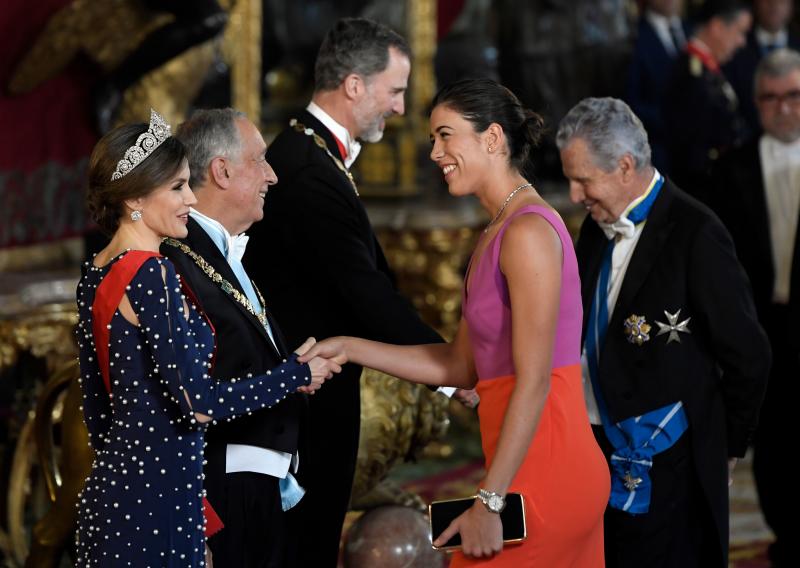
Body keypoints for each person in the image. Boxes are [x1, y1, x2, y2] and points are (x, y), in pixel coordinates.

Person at [300, 77, 610, 567]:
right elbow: (459, 365)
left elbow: (534, 383)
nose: (434, 153)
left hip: (551, 470)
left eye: (446, 136)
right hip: (519, 469)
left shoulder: (528, 230)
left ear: (491, 138)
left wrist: (490, 500)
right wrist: (349, 347)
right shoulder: (497, 231)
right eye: (432, 140)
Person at [75, 109, 340, 566]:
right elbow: (198, 403)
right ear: (136, 197)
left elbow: (98, 414)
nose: (190, 201)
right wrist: (294, 374)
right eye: (178, 187)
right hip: (160, 503)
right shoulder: (152, 273)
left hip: (114, 495)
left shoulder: (96, 272)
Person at [242, 18, 445, 566]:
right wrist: (450, 370)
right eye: (395, 91)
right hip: (304, 404)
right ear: (354, 85)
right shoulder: (308, 171)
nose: (400, 108)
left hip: (305, 393)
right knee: (305, 546)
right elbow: (366, 293)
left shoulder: (311, 155)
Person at [556, 96, 770, 568]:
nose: (574, 196)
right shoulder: (595, 226)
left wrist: (725, 448)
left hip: (671, 459)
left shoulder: (698, 232)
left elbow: (749, 355)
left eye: (582, 180)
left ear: (625, 166)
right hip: (593, 449)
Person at [157, 108, 309, 567]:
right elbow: (188, 391)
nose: (273, 175)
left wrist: (291, 371)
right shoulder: (176, 260)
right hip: (219, 487)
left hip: (256, 479)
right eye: (259, 161)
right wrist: (291, 375)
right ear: (221, 171)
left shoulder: (218, 250)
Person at [711, 48, 800, 568]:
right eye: (771, 98)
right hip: (763, 328)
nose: (783, 108)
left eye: (793, 96)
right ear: (756, 104)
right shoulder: (731, 169)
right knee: (774, 443)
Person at [663, 0, 752, 200]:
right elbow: (693, 152)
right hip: (706, 191)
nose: (742, 42)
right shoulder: (691, 73)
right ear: (718, 27)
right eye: (739, 32)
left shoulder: (707, 68)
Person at [624, 0, 688, 171]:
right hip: (658, 156)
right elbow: (630, 103)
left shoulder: (694, 30)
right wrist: (673, 123)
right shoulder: (632, 39)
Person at [723, 0, 800, 135]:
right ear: (755, 3)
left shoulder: (797, 45)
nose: (774, 4)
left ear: (792, 5)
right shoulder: (735, 48)